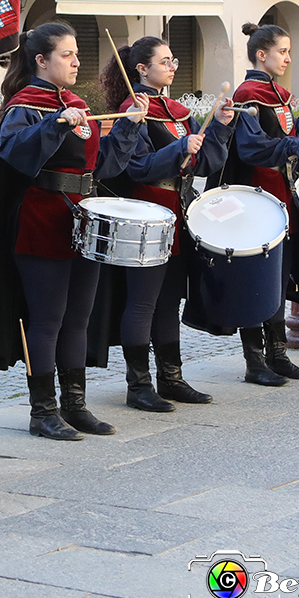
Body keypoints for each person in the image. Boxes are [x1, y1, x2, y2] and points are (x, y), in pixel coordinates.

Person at [0, 22, 145, 440]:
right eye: (67, 54)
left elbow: (104, 167)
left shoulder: (78, 103)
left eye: (77, 53)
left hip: (83, 220)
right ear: (41, 61)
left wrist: (130, 126)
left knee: (78, 318)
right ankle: (42, 411)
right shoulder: (24, 106)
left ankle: (75, 405)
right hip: (42, 220)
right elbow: (15, 155)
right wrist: (55, 125)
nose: (77, 61)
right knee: (47, 319)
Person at [92, 36, 233, 413]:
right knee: (143, 301)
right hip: (148, 210)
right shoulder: (134, 107)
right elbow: (134, 167)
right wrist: (178, 148)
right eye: (165, 61)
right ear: (141, 68)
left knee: (169, 300)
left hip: (179, 208)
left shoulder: (176, 109)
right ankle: (138, 385)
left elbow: (205, 164)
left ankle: (171, 377)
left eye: (173, 60)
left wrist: (217, 127)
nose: (172, 66)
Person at [217, 22, 299, 385]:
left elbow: (294, 135)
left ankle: (277, 354)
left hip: (279, 194)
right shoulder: (249, 94)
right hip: (255, 195)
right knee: (257, 278)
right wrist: (288, 146)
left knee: (278, 277)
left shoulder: (277, 94)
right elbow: (251, 148)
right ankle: (255, 362)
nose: (288, 58)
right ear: (261, 54)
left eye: (288, 51)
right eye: (282, 51)